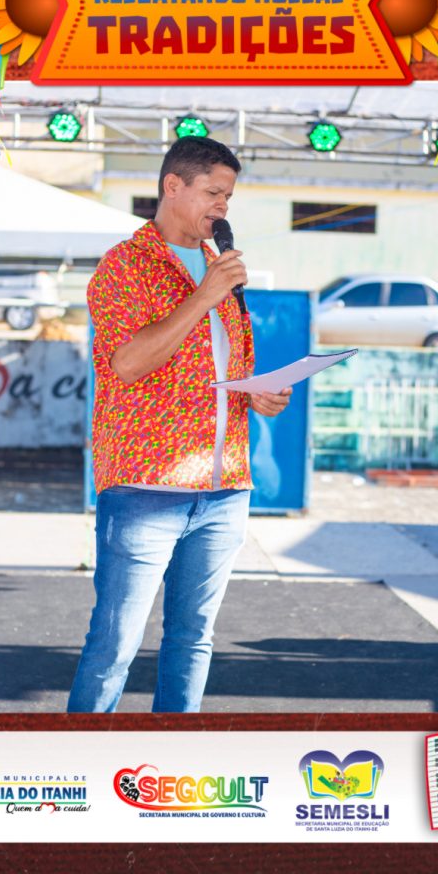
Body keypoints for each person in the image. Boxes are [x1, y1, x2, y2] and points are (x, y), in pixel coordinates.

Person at [67, 135, 291, 713]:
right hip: (145, 487)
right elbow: (126, 363)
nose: (223, 206)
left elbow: (222, 370)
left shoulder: (222, 269)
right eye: (213, 192)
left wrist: (258, 394)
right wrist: (203, 296)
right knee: (114, 645)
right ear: (173, 186)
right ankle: (76, 755)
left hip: (224, 490)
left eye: (228, 197)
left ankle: (175, 754)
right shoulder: (124, 265)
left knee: (193, 640)